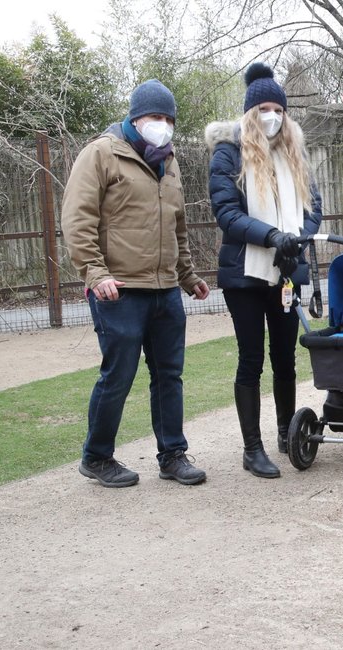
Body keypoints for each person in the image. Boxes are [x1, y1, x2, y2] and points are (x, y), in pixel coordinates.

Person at [62, 79, 210, 488]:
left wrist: (187, 275)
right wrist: (96, 273)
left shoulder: (169, 160)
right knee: (118, 375)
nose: (161, 125)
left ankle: (173, 455)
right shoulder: (101, 154)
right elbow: (77, 221)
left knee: (169, 374)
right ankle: (97, 456)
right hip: (119, 288)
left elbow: (176, 225)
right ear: (134, 117)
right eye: (153, 117)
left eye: (167, 119)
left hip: (164, 288)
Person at [206, 62, 323, 479]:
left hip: (287, 270)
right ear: (250, 113)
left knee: (286, 358)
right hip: (245, 273)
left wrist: (297, 240)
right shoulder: (228, 152)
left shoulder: (294, 155)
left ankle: (285, 433)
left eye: (279, 109)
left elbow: (314, 209)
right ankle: (251, 448)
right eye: (265, 108)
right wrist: (273, 236)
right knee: (251, 358)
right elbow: (227, 213)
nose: (272, 116)